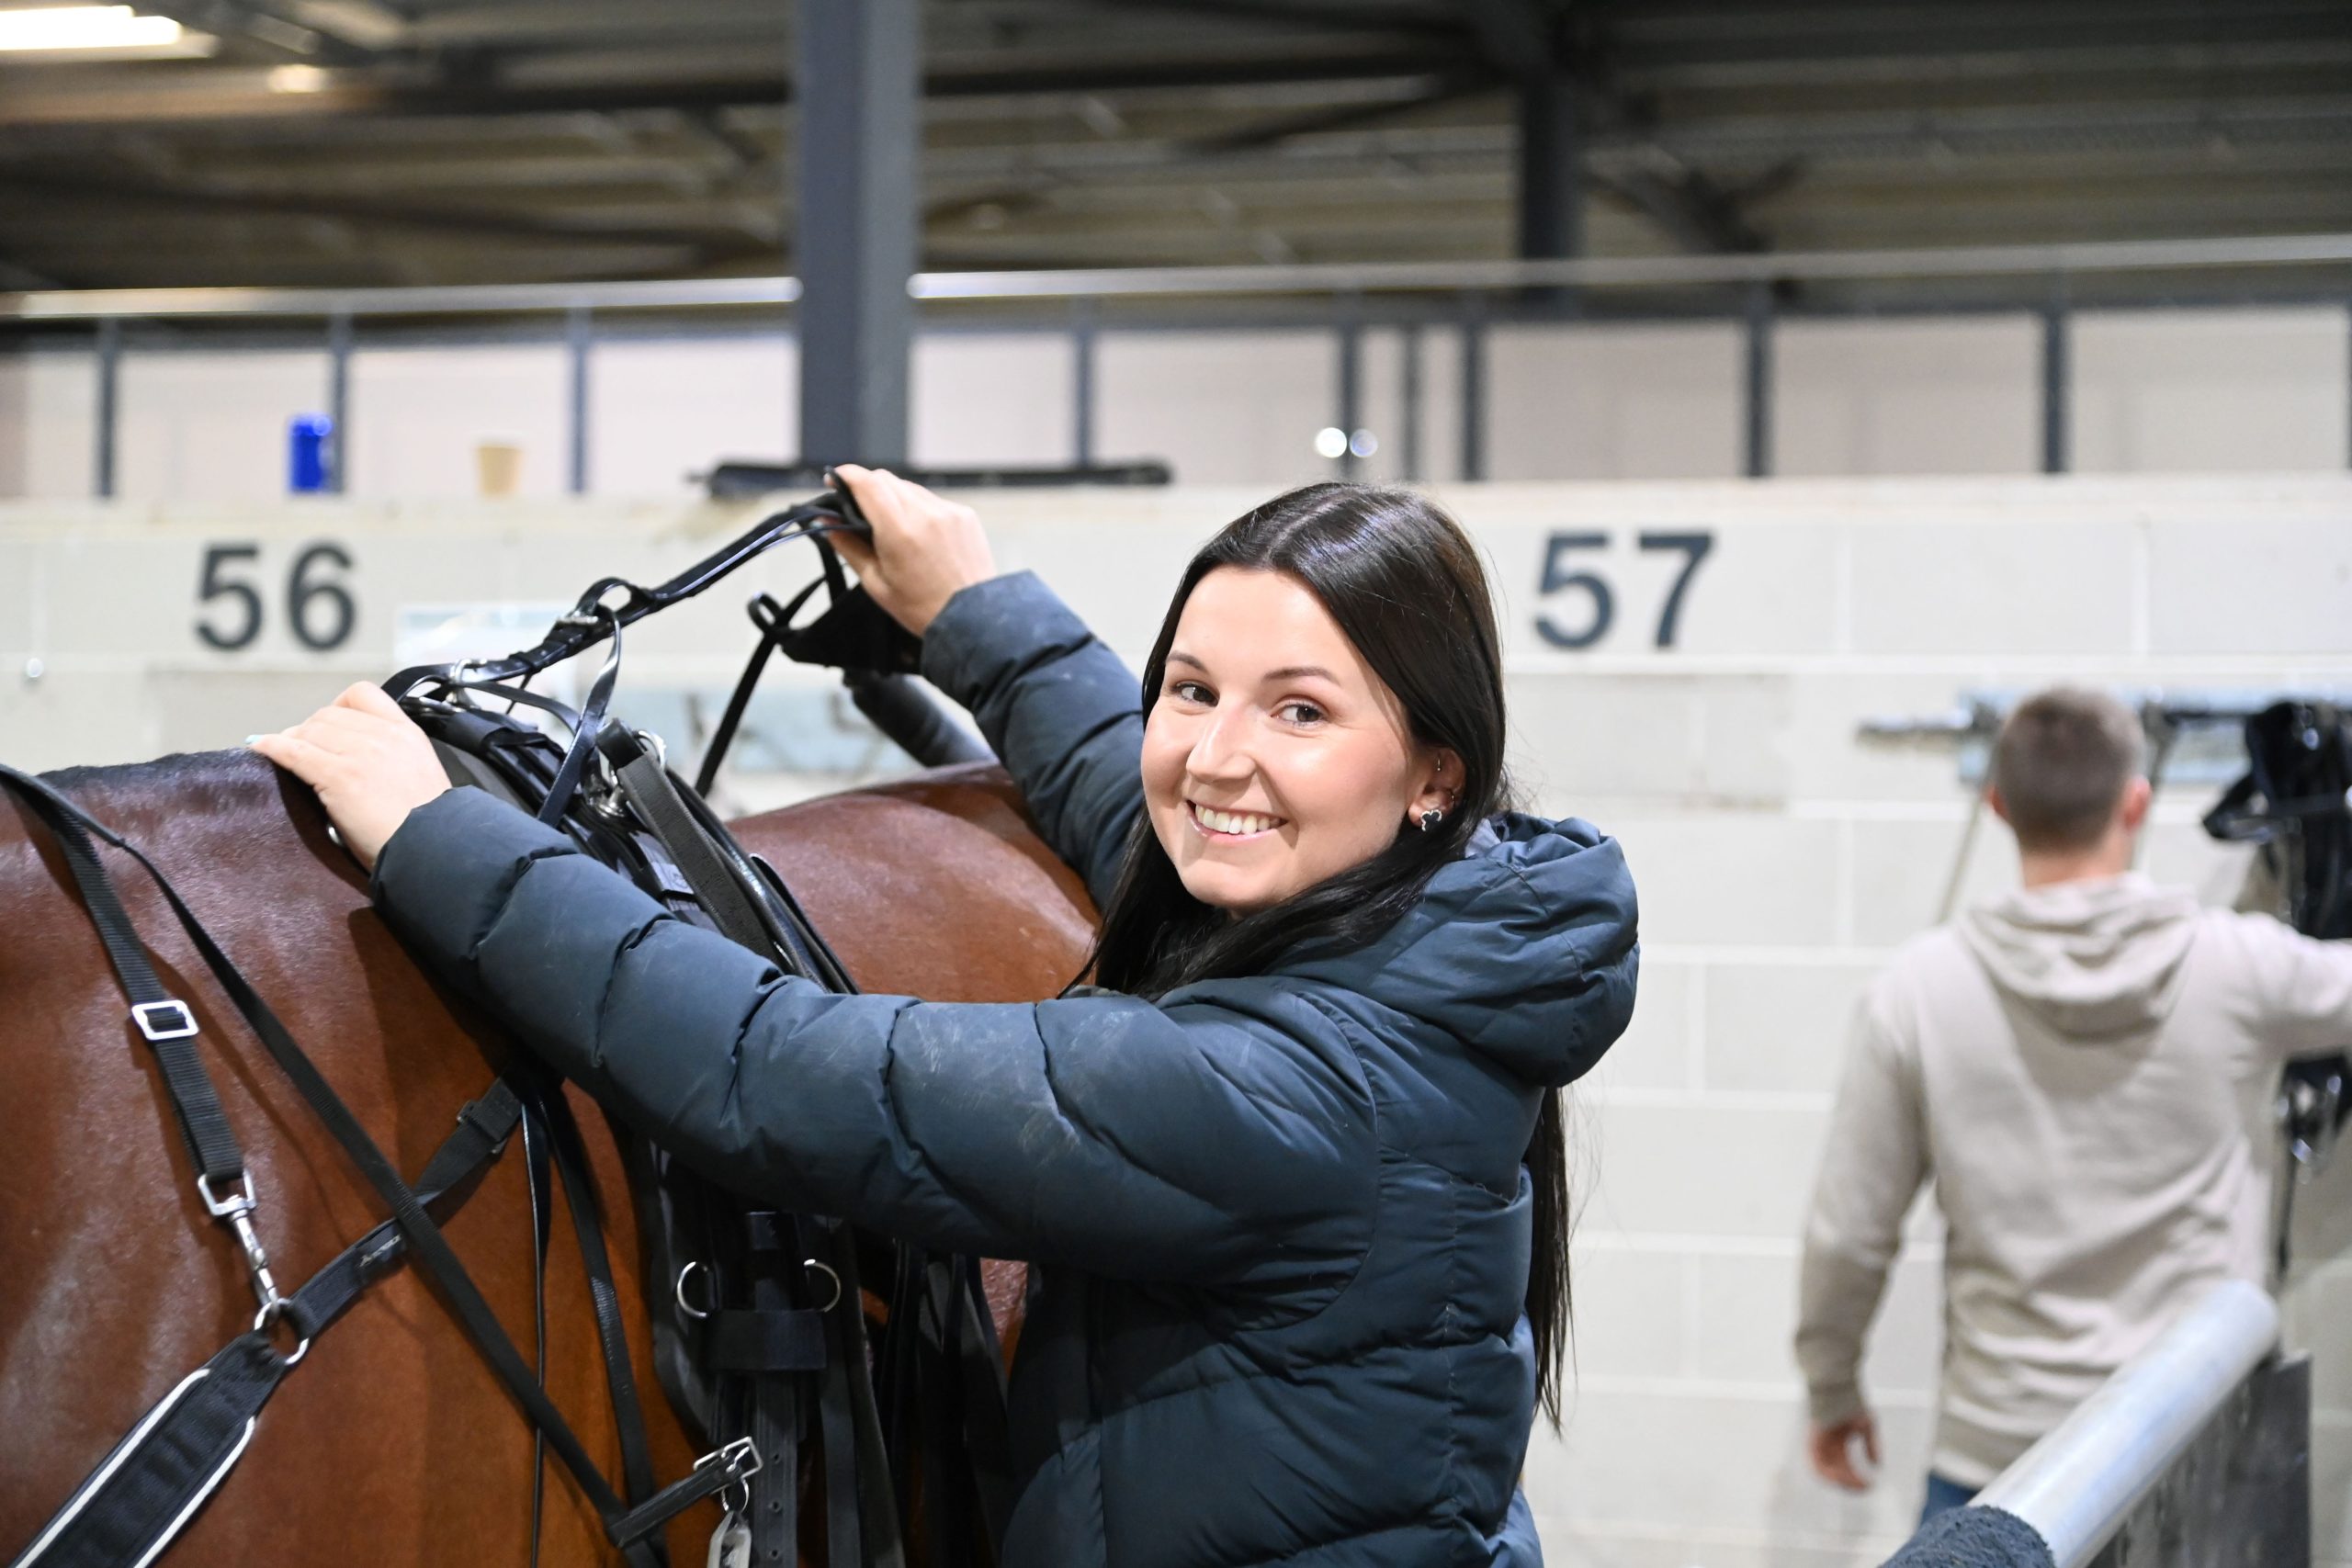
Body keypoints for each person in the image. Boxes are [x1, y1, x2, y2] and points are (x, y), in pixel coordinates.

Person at [254, 471, 1641, 1568]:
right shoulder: (1411, 929)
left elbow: (791, 1075)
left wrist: (436, 834)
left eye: (1300, 708)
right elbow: (1135, 789)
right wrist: (974, 605)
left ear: (1431, 777)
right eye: (1193, 686)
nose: (1220, 753)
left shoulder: (1280, 1091)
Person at [1794, 686, 2352, 1524]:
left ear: (1997, 803)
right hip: (2192, 1452)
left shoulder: (1916, 991)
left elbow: (1850, 1232)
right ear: (2138, 800)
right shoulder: (2240, 968)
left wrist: (1832, 1387)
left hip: (1999, 1475)